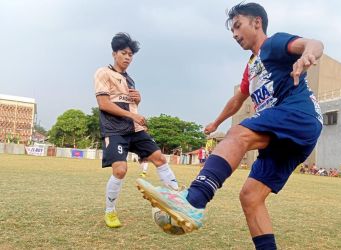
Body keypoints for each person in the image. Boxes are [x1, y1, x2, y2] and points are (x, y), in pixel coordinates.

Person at [137, 3, 323, 249]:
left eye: (238, 26)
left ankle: (194, 200)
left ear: (256, 22)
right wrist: (216, 122)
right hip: (284, 132)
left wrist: (309, 54)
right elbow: (238, 99)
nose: (235, 34)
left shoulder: (273, 44)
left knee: (238, 134)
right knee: (250, 197)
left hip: (298, 114)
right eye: (232, 30)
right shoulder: (252, 66)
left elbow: (314, 43)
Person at [94, 32, 180, 228]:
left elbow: (131, 106)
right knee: (121, 170)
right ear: (114, 53)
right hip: (114, 130)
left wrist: (138, 101)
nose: (127, 57)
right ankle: (110, 211)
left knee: (159, 158)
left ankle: (177, 200)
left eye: (130, 55)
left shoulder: (130, 80)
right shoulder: (103, 73)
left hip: (135, 129)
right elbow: (104, 104)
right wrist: (132, 115)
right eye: (124, 53)